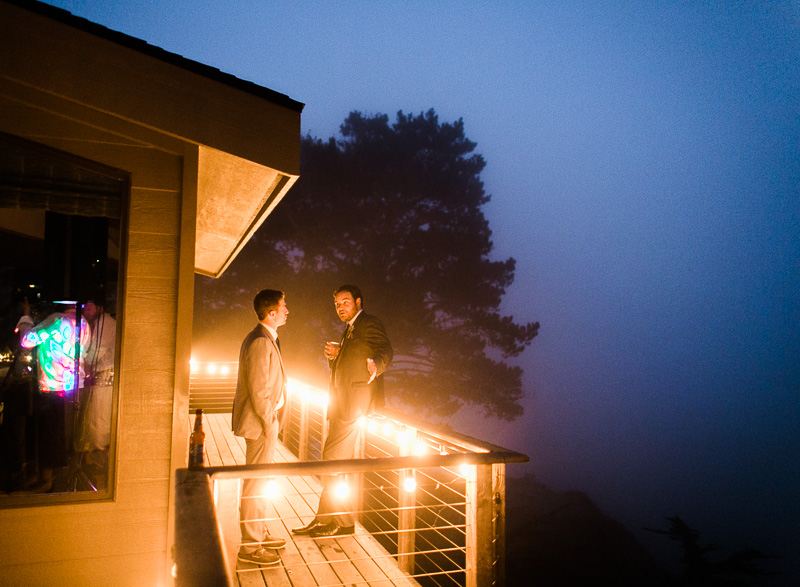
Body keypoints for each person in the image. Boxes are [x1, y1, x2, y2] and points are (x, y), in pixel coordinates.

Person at [292, 284, 393, 537]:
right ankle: (325, 519)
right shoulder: (348, 329)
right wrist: (333, 357)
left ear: (358, 302)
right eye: (337, 304)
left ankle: (344, 522)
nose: (340, 308)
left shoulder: (369, 323)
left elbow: (386, 350)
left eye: (345, 302)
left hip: (354, 406)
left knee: (330, 461)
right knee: (333, 464)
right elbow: (346, 366)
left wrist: (376, 366)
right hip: (341, 405)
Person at [231, 289, 289, 566]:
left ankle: (260, 533)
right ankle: (251, 547)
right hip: (260, 424)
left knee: (260, 480)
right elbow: (259, 389)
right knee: (255, 483)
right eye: (284, 306)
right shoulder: (260, 342)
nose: (287, 311)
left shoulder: (265, 338)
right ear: (272, 312)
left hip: (264, 422)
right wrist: (269, 422)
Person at [79, 300, 116, 472]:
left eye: (89, 307)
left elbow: (96, 352)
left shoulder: (104, 323)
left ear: (100, 308)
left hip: (104, 377)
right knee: (99, 418)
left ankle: (99, 461)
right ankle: (97, 458)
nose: (86, 311)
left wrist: (81, 363)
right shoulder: (101, 323)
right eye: (85, 308)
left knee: (98, 419)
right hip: (102, 377)